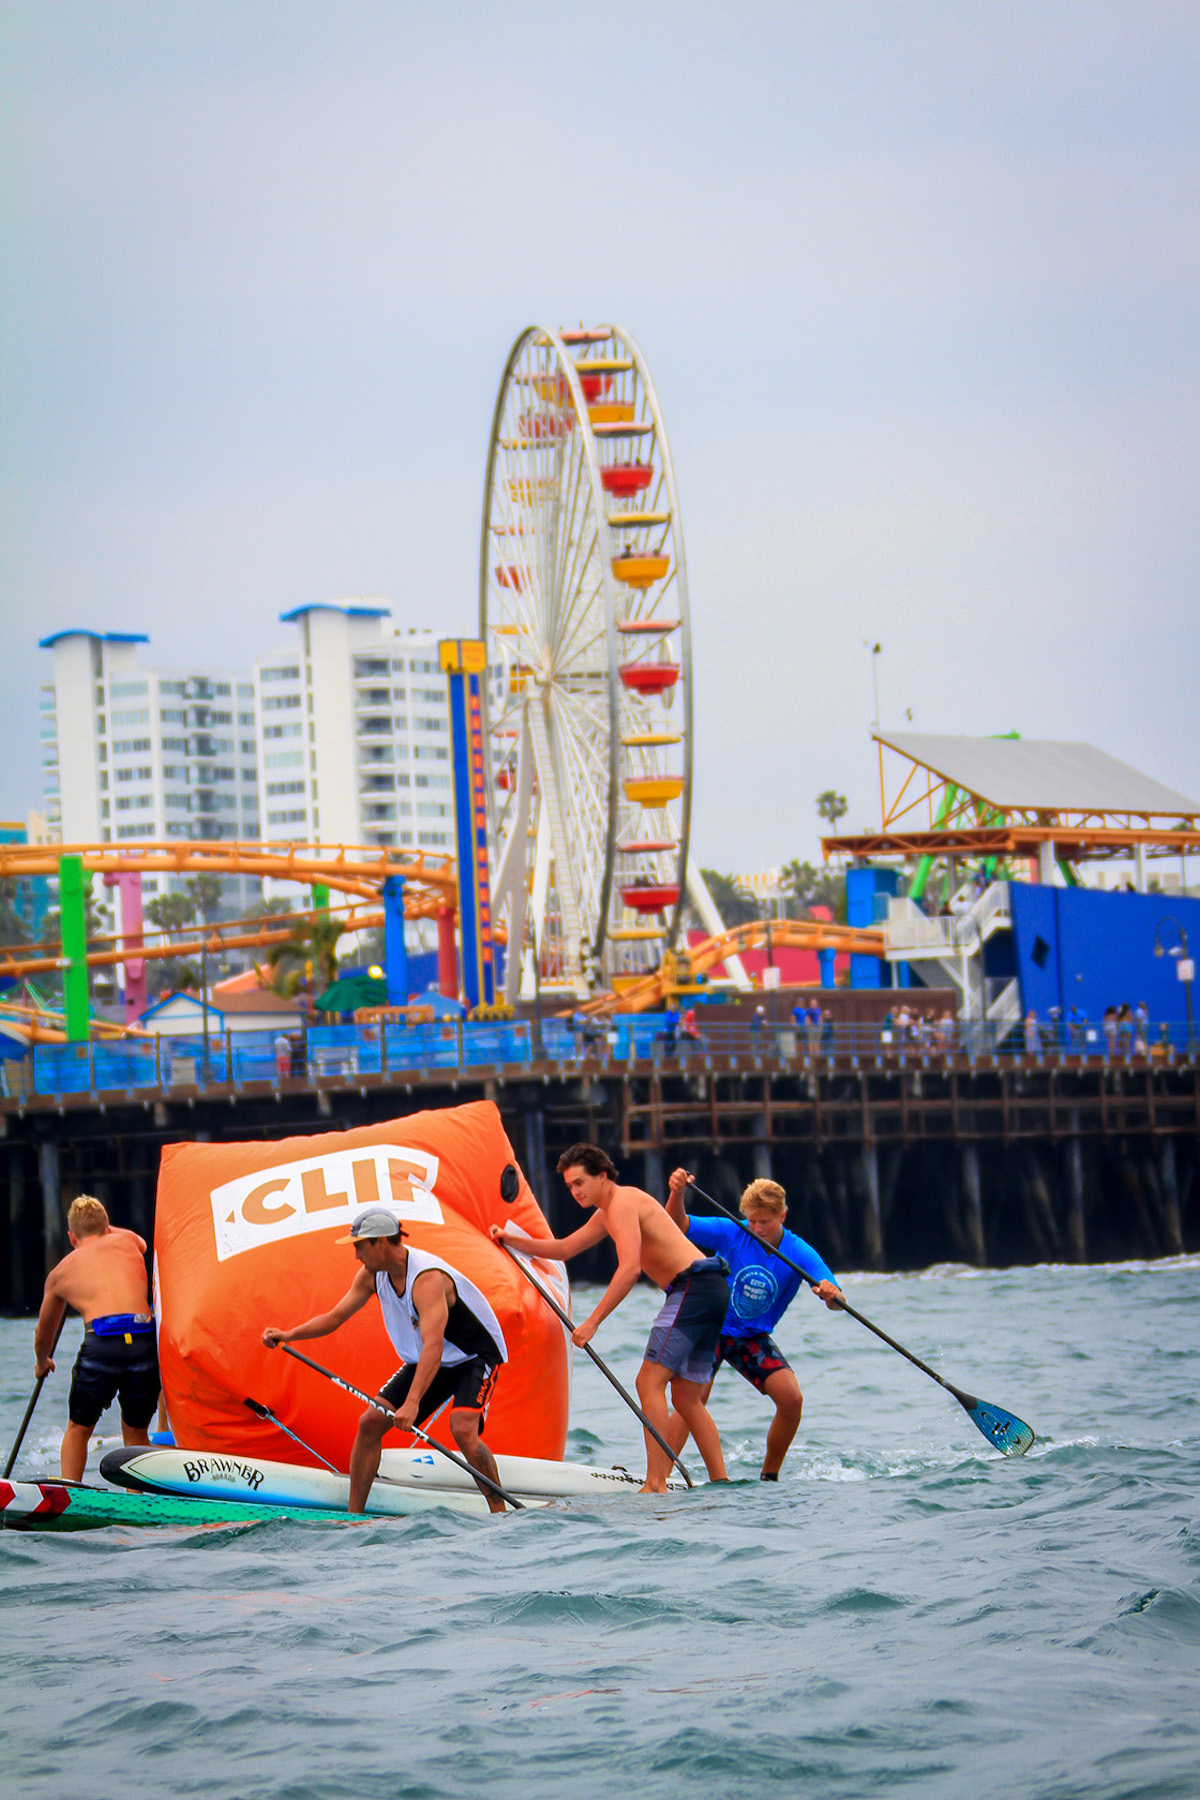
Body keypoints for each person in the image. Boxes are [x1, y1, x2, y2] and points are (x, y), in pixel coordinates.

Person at [492, 1143, 730, 1492]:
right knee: (686, 1399)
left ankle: (656, 1484)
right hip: (712, 1289)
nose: (575, 1192)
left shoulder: (621, 1203)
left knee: (648, 1383)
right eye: (570, 1187)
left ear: (602, 1176)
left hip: (692, 1288)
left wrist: (593, 1321)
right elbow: (563, 1249)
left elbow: (630, 1269)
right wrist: (510, 1239)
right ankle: (721, 1483)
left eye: (580, 1183)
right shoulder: (608, 1210)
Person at [262, 1206, 509, 1513]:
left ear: (380, 1242)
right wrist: (288, 1335)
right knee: (370, 1423)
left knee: (461, 1428)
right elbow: (336, 1317)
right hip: (432, 1359)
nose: (356, 1255)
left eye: (359, 1246)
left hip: (474, 1356)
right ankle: (355, 1516)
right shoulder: (371, 1276)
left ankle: (499, 1512)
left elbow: (432, 1345)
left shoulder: (427, 1279)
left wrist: (413, 1402)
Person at [664, 1172, 843, 1480]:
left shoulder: (799, 1251)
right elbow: (675, 1225)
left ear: (782, 1216)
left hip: (751, 1338)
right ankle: (659, 1477)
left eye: (765, 1222)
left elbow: (834, 1296)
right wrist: (677, 1192)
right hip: (712, 1327)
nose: (757, 1229)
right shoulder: (732, 1232)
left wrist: (831, 1294)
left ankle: (769, 1477)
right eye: (752, 1221)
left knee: (791, 1399)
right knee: (692, 1399)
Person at [33, 1195, 160, 1482]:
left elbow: (44, 1333)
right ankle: (139, 1497)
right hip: (143, 1338)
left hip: (103, 1343)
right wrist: (104, 1227)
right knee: (137, 1429)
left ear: (70, 1236)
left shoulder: (60, 1273)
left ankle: (71, 1490)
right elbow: (140, 1240)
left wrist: (42, 1361)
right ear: (108, 1227)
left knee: (79, 1427)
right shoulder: (128, 1243)